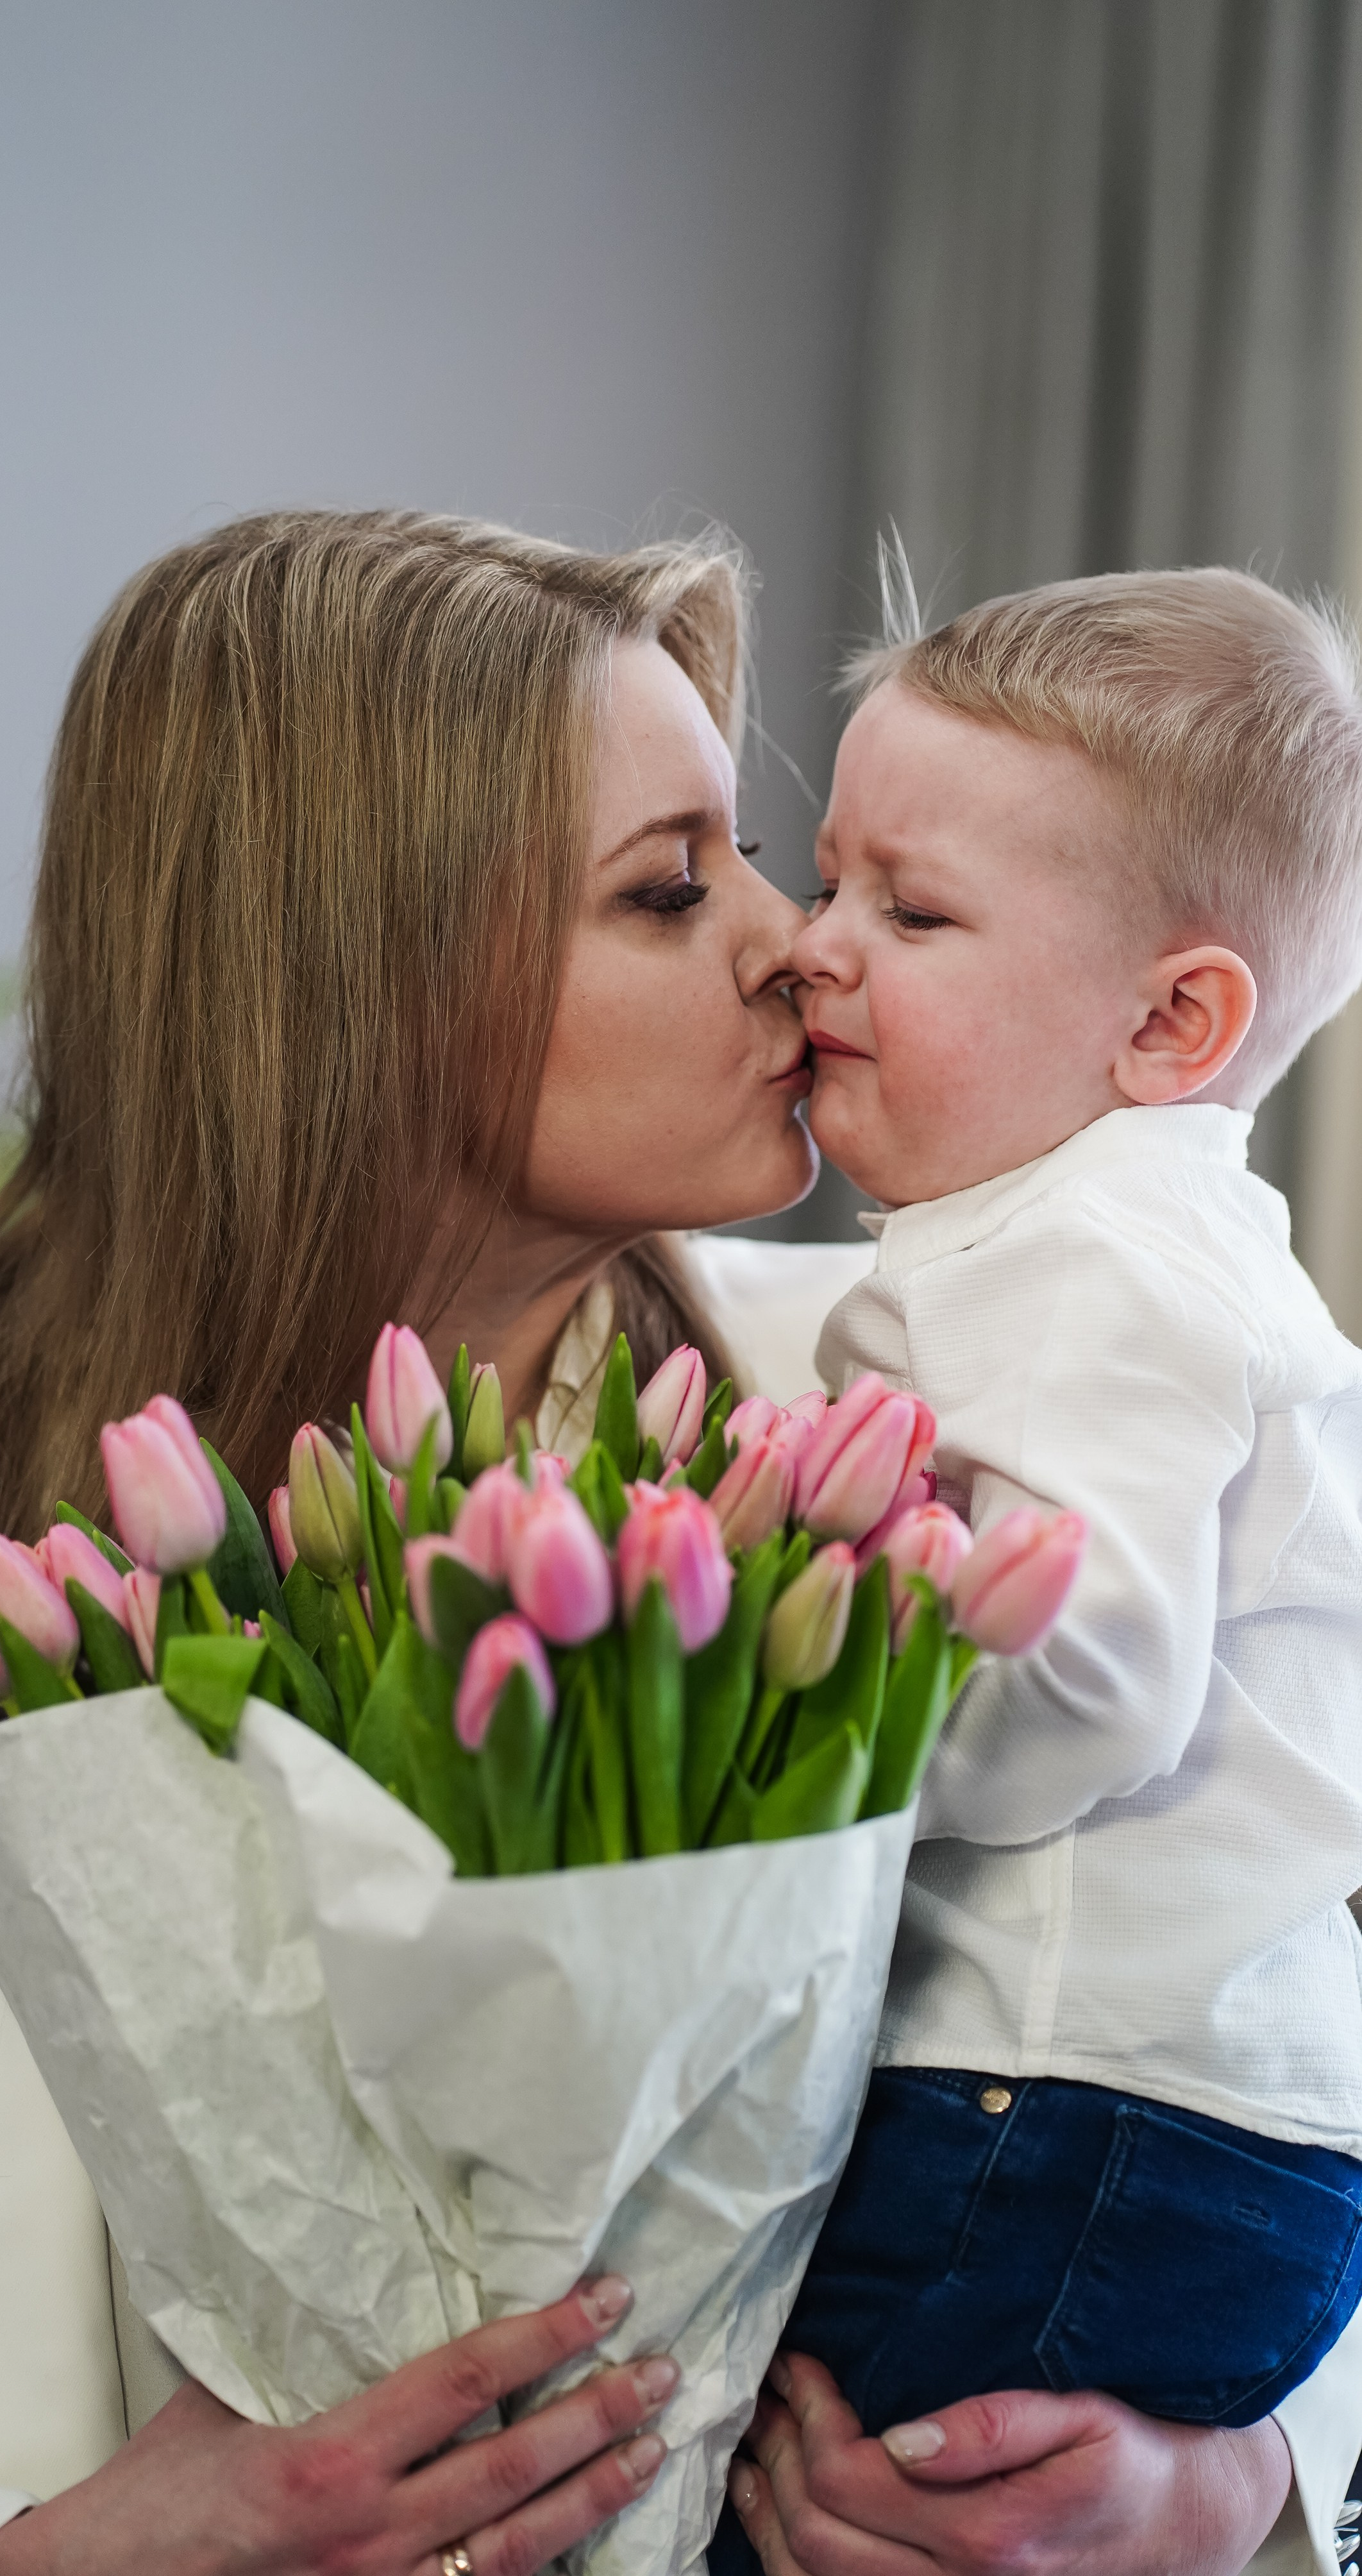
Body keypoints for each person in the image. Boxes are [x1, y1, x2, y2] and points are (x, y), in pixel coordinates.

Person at [0, 513, 1349, 2575]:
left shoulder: (911, 1411)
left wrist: (1230, 2481)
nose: (791, 941)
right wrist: (22, 2555)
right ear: (355, 971)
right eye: (676, 886)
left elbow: (1249, 1944)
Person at [713, 567, 1362, 2572]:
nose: (806, 950)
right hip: (1167, 2120)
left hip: (1064, 2107)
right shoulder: (1125, 1256)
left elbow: (1081, 1678)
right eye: (817, 878)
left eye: (908, 914)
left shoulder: (1083, 1264)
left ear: (1169, 1020)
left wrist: (790, 1727)